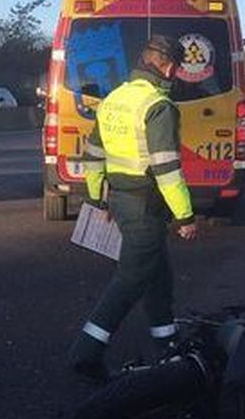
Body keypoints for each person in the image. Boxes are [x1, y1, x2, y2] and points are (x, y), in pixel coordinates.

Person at [68, 34, 198, 380]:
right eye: (178, 69)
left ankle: (169, 348)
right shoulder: (158, 106)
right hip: (146, 205)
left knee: (158, 278)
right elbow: (167, 169)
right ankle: (87, 352)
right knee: (130, 279)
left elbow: (93, 154)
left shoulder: (113, 100)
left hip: (121, 200)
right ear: (169, 66)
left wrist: (96, 199)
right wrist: (185, 215)